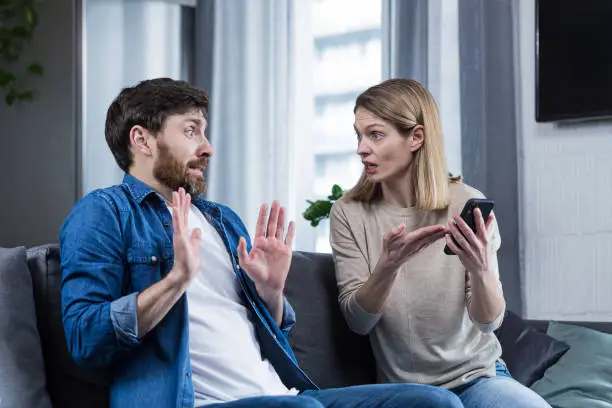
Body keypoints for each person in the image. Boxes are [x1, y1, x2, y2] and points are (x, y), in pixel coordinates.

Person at [59, 78, 463, 408]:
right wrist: (175, 280)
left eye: (204, 130)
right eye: (190, 130)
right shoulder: (103, 213)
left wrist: (270, 293)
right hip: (193, 403)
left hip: (280, 396)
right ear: (142, 141)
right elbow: (84, 338)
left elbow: (267, 333)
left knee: (433, 403)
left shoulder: (220, 219)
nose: (208, 147)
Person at [329, 78, 551, 408]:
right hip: (406, 392)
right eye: (358, 135)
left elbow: (488, 322)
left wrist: (480, 271)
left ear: (416, 137)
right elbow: (359, 323)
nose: (362, 148)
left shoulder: (466, 202)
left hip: (478, 377)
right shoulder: (348, 213)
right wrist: (388, 266)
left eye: (375, 134)